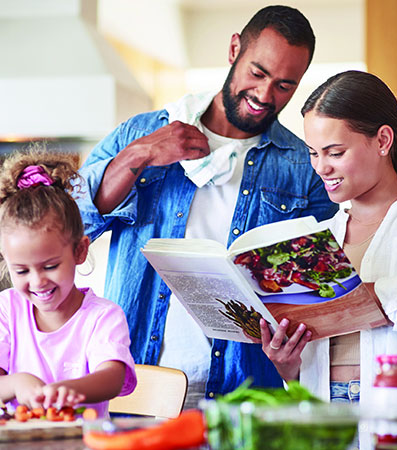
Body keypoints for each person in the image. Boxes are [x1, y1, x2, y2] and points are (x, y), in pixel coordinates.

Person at [77, 5, 337, 408]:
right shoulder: (142, 133)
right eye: (258, 73)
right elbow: (73, 226)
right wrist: (138, 155)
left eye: (285, 86)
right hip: (137, 391)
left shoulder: (304, 168)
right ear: (235, 49)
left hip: (244, 400)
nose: (265, 96)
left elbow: (327, 286)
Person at [259, 70, 397, 419]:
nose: (321, 168)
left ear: (383, 140)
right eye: (313, 153)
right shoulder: (322, 237)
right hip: (332, 420)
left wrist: (333, 298)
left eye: (335, 152)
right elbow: (309, 370)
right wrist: (289, 365)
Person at [0, 146, 137, 418]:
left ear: (79, 251)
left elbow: (113, 376)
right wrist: (18, 382)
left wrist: (68, 389)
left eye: (50, 266)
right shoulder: (7, 307)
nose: (37, 281)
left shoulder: (103, 316)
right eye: (21, 271)